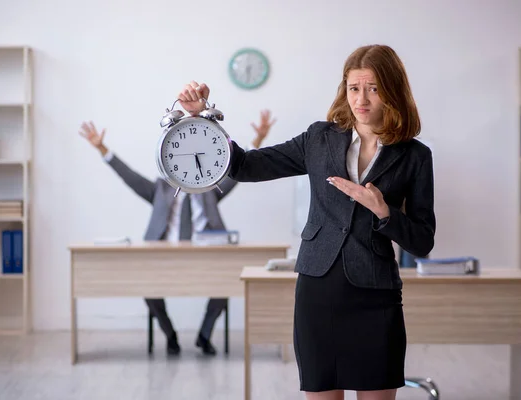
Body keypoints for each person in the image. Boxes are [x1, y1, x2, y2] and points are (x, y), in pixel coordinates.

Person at [178, 45, 435, 400]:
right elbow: (246, 165)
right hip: (318, 291)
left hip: (376, 296)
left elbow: (422, 241)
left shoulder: (415, 156)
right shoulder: (319, 138)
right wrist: (202, 118)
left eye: (373, 88)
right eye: (353, 87)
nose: (361, 99)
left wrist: (385, 213)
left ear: (392, 90)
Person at [78, 108, 275, 356]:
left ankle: (204, 335)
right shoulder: (159, 190)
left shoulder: (209, 189)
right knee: (148, 290)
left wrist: (257, 141)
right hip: (164, 255)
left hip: (207, 255)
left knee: (226, 284)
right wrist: (102, 149)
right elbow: (129, 177)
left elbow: (236, 174)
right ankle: (170, 335)